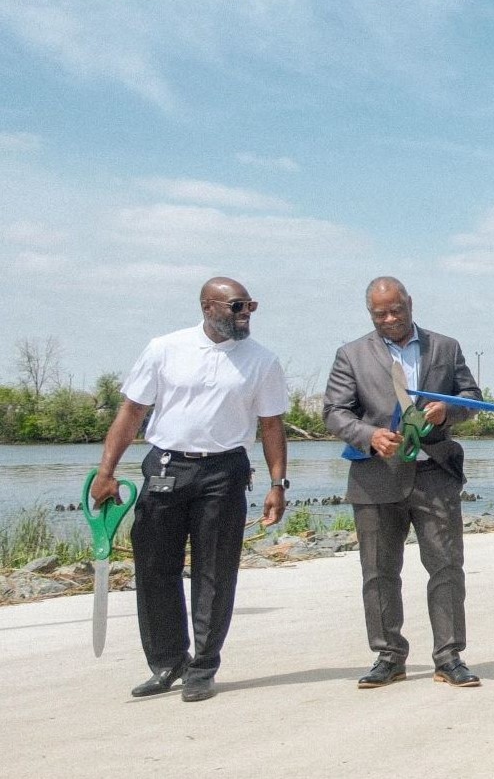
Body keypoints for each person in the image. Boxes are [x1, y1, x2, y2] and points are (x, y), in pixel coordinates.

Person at [90, 277, 290, 702]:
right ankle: (167, 662)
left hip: (225, 472)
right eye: (238, 306)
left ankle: (202, 666)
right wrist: (106, 471)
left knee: (215, 572)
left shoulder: (262, 361)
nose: (246, 314)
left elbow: (272, 426)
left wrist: (278, 483)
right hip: (166, 466)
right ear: (208, 306)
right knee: (154, 567)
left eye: (250, 306)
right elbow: (132, 411)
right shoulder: (164, 348)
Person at [324, 277, 484, 689]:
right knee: (378, 571)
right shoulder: (351, 355)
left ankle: (449, 657)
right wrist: (369, 436)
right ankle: (388, 655)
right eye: (381, 314)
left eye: (397, 310)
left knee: (446, 567)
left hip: (435, 474)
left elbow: (472, 397)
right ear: (370, 313)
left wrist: (448, 409)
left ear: (410, 303)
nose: (391, 319)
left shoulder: (445, 347)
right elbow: (335, 413)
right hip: (376, 477)